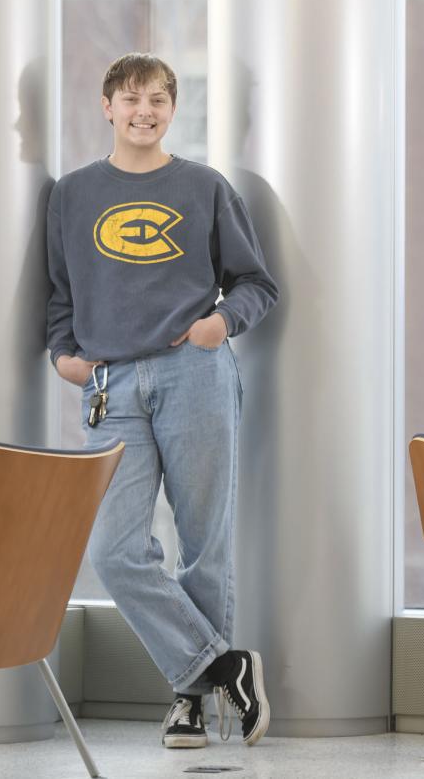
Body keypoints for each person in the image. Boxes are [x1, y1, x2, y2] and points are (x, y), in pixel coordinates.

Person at [45, 53, 279, 749]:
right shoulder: (72, 194)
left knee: (204, 544)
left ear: (173, 110)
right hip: (111, 386)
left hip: (193, 373)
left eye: (157, 99)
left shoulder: (203, 187)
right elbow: (61, 290)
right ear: (106, 106)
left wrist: (218, 325)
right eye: (130, 98)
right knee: (115, 551)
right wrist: (65, 354)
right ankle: (226, 665)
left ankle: (189, 701)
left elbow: (256, 285)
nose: (143, 110)